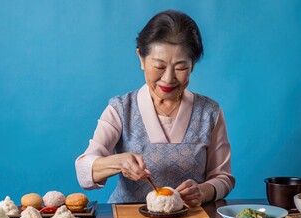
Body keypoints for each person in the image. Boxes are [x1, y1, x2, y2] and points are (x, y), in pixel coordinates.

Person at [75, 9, 235, 207]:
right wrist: (119, 162)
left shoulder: (209, 113)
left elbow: (223, 178)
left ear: (192, 65)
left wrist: (203, 191)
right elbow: (83, 172)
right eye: (159, 66)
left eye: (181, 67)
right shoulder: (121, 109)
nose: (168, 78)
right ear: (141, 58)